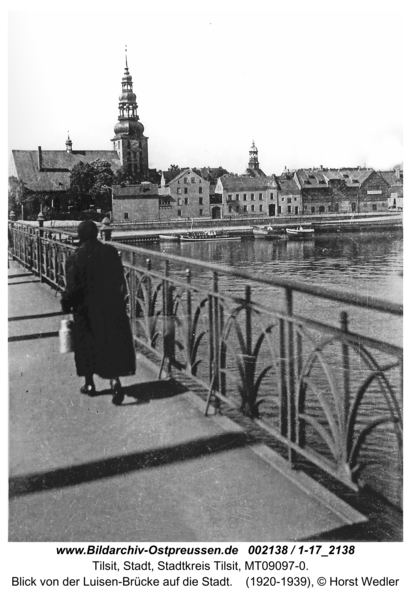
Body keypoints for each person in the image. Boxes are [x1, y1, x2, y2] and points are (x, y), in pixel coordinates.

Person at [61, 220, 135, 405]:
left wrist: (66, 304)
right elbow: (119, 279)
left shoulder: (75, 257)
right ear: (96, 234)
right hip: (110, 307)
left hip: (85, 310)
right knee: (110, 344)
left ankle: (90, 384)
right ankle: (115, 382)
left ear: (80, 236)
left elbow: (71, 288)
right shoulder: (109, 252)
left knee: (86, 345)